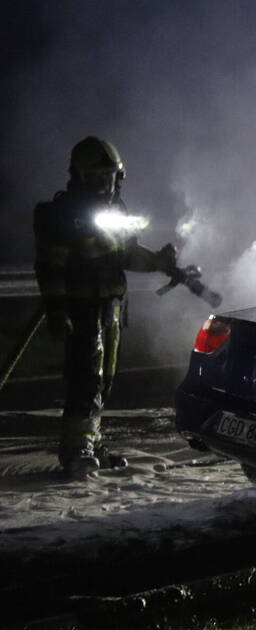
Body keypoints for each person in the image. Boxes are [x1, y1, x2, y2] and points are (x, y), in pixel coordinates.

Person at [33, 136, 177, 478]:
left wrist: (158, 262)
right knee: (85, 379)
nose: (102, 182)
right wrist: (57, 310)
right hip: (81, 308)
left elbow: (126, 254)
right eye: (94, 176)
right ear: (79, 177)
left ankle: (92, 440)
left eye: (108, 175)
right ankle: (76, 449)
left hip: (110, 308)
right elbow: (51, 266)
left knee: (103, 380)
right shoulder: (65, 215)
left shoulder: (115, 211)